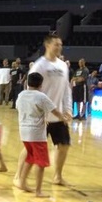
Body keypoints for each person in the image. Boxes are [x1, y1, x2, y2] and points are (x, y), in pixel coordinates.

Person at [29, 34, 73, 185]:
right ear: (47, 45)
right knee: (31, 149)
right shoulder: (39, 66)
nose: (59, 47)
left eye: (60, 45)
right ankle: (19, 177)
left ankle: (57, 177)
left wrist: (68, 109)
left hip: (58, 115)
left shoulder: (63, 65)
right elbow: (31, 91)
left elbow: (66, 89)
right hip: (41, 116)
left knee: (64, 145)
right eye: (56, 44)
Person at [14, 72, 63, 197]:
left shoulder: (21, 95)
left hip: (23, 132)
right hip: (36, 134)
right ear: (41, 84)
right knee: (41, 163)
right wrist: (64, 118)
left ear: (27, 82)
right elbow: (54, 111)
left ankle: (22, 182)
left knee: (30, 158)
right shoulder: (41, 97)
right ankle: (38, 191)